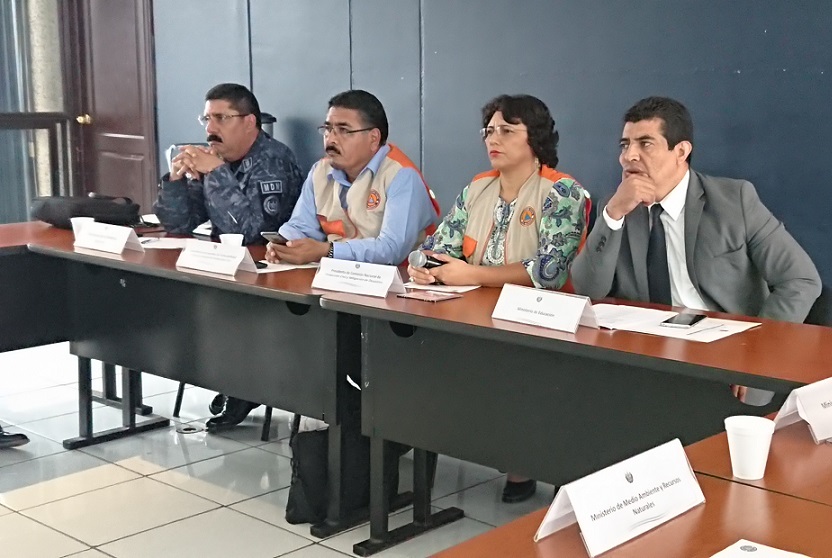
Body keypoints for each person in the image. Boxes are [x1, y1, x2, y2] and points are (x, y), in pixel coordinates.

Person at [207, 89, 441, 432]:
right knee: (271, 315)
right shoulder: (321, 171)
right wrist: (284, 243)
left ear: (373, 138)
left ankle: (366, 426)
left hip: (397, 302)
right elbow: (300, 225)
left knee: (325, 344)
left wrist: (324, 251)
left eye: (343, 130)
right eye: (328, 129)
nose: (331, 138)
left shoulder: (400, 176)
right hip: (339, 289)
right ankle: (259, 386)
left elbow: (391, 251)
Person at [571, 96, 821, 404]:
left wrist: (756, 354)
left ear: (681, 152)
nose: (629, 156)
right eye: (625, 145)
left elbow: (801, 280)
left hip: (727, 362)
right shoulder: (618, 206)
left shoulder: (735, 201)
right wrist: (612, 215)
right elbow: (588, 288)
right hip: (647, 362)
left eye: (645, 144)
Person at [409, 94, 590, 503]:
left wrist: (471, 274)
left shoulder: (563, 191)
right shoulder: (478, 188)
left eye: (507, 130)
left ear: (535, 137)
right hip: (475, 315)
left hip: (543, 323)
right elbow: (440, 245)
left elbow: (550, 272)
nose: (494, 138)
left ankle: (524, 462)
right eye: (489, 131)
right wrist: (428, 266)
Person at [154, 82, 303, 245]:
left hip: (262, 258)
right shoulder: (217, 157)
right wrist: (176, 181)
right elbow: (178, 225)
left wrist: (217, 172)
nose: (210, 129)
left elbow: (251, 235)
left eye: (221, 118)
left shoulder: (273, 160)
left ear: (249, 122)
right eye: (207, 119)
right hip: (224, 256)